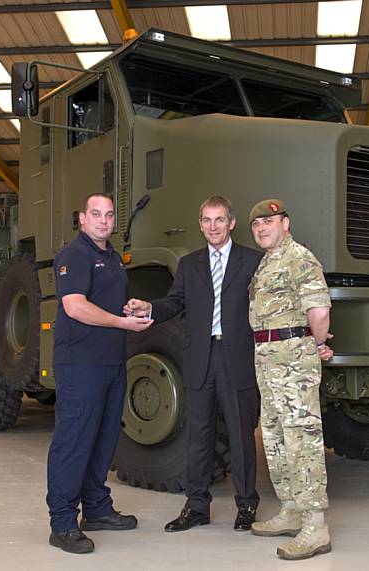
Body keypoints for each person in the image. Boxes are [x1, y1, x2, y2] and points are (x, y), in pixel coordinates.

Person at [125, 196, 263, 532]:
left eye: (219, 220)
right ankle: (196, 506)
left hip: (237, 357)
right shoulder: (190, 264)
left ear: (231, 223)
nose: (212, 227)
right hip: (201, 358)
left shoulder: (254, 261)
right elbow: (174, 303)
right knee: (198, 436)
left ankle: (246, 506)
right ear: (200, 224)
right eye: (206, 220)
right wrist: (150, 308)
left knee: (240, 434)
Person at [46, 193, 152, 554]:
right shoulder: (73, 255)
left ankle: (96, 509)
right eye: (96, 214)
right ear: (82, 218)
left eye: (108, 215)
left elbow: (103, 303)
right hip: (81, 365)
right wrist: (121, 322)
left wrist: (130, 309)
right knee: (74, 442)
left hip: (111, 363)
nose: (104, 221)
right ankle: (62, 522)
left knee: (103, 440)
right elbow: (75, 307)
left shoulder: (111, 257)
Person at [247, 199, 334, 561]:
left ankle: (315, 526)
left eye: (269, 221)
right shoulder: (268, 261)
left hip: (293, 359)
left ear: (285, 222)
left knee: (303, 439)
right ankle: (291, 510)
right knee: (276, 437)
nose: (262, 228)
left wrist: (314, 345)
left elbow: (319, 310)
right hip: (268, 360)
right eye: (256, 225)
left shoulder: (298, 256)